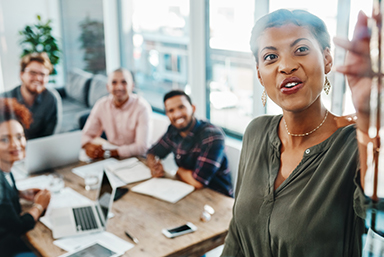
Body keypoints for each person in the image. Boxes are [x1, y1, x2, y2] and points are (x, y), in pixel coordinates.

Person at [221, 9, 372, 257]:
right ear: (259, 73)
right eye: (270, 56)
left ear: (327, 59)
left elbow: (380, 216)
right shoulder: (256, 132)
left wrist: (373, 122)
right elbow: (237, 235)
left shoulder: (356, 144)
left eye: (301, 49)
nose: (287, 66)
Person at [146, 90, 233, 197]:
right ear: (167, 114)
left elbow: (198, 182)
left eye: (181, 107)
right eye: (171, 110)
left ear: (193, 108)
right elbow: (152, 152)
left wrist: (180, 171)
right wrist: (154, 165)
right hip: (186, 191)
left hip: (216, 197)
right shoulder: (173, 130)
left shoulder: (212, 135)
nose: (177, 114)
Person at [0, 98, 51, 257]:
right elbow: (17, 227)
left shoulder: (5, 169)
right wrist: (39, 207)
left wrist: (20, 194)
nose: (16, 144)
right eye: (4, 139)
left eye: (19, 136)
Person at [81, 68, 152, 159]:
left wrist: (110, 152)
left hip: (138, 159)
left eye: (124, 82)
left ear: (132, 86)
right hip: (113, 158)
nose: (119, 87)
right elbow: (86, 135)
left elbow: (142, 147)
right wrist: (88, 146)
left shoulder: (142, 107)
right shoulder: (101, 105)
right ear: (108, 87)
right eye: (114, 82)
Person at [2, 52, 57, 139]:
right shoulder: (4, 99)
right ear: (21, 74)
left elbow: (49, 135)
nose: (38, 78)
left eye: (42, 74)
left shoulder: (51, 99)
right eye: (32, 73)